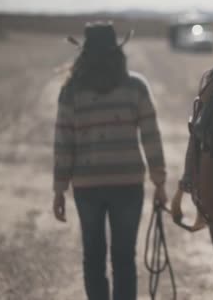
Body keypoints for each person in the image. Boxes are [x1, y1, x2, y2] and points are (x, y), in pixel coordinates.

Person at [52, 21, 167, 300]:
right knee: (124, 258)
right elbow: (151, 137)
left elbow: (63, 144)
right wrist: (159, 182)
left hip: (87, 186)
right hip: (128, 184)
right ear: (117, 52)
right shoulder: (136, 87)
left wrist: (59, 189)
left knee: (93, 257)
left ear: (84, 54)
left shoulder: (71, 92)